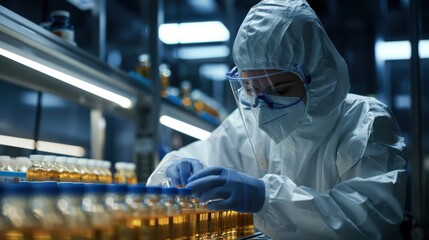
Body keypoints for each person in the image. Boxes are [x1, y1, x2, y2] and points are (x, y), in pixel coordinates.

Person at [147, 0, 407, 239]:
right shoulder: (244, 123)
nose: (263, 107)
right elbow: (186, 165)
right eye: (251, 89)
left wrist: (266, 197)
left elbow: (369, 219)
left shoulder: (363, 122)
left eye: (279, 90)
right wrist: (177, 167)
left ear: (316, 76)